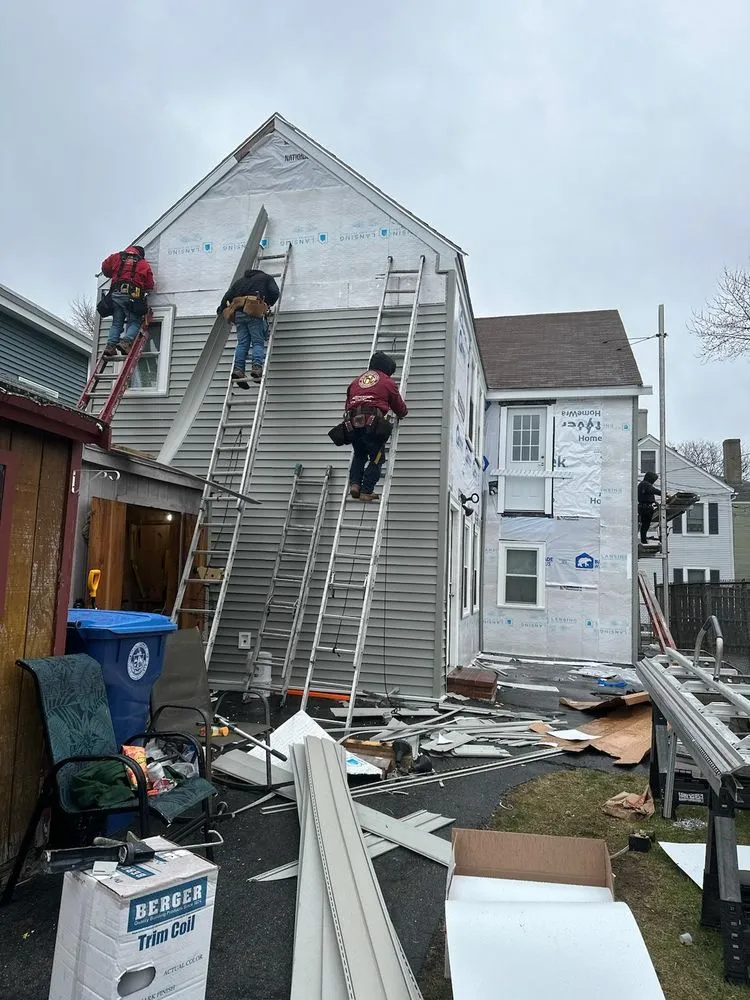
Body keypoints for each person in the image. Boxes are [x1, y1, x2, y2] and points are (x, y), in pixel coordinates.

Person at [344, 351, 408, 502]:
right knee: (377, 457)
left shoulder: (355, 382)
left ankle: (355, 485)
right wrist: (403, 413)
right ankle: (366, 490)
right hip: (372, 424)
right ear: (387, 368)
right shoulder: (387, 382)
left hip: (353, 424)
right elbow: (399, 407)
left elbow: (347, 406)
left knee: (359, 454)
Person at [217, 268, 280, 384]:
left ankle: (238, 369)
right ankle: (256, 367)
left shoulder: (240, 281)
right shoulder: (266, 278)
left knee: (242, 343)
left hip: (239, 315)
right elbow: (275, 292)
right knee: (257, 342)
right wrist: (268, 304)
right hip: (254, 313)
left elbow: (228, 295)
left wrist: (221, 309)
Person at [101, 245, 154, 356]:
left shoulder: (116, 257)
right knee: (134, 321)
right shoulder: (144, 264)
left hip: (116, 294)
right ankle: (126, 342)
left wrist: (113, 274)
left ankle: (110, 346)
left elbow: (105, 267)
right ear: (140, 254)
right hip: (133, 297)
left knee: (116, 322)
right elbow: (150, 284)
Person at [638, 470, 661, 544]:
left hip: (643, 507)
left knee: (645, 525)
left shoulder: (642, 484)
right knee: (645, 525)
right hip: (646, 508)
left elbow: (647, 495)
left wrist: (654, 502)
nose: (654, 481)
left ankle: (643, 539)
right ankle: (643, 540)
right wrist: (665, 494)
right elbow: (654, 490)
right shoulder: (646, 484)